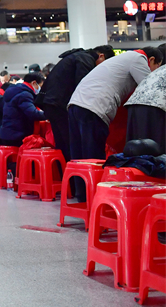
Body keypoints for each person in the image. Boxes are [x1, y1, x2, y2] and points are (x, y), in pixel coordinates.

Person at [67, 47, 163, 200]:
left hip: (75, 104)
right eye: (156, 67)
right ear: (151, 60)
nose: (155, 72)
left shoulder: (121, 59)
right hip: (94, 107)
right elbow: (149, 85)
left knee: (80, 158)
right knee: (94, 158)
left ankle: (82, 196)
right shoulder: (138, 59)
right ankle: (97, 198)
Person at [34, 45, 116, 171]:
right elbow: (84, 86)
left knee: (63, 146)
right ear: (101, 56)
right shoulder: (86, 59)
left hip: (51, 103)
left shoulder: (75, 56)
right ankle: (75, 182)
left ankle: (68, 182)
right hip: (60, 104)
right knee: (72, 147)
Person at [124, 45, 166, 154]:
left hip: (134, 105)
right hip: (155, 107)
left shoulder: (161, 69)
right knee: (157, 152)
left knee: (137, 152)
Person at [0, 72, 46, 147]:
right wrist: (49, 114)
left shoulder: (15, 90)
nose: (40, 89)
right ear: (34, 83)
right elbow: (33, 114)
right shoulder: (24, 94)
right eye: (40, 86)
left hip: (7, 132)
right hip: (17, 134)